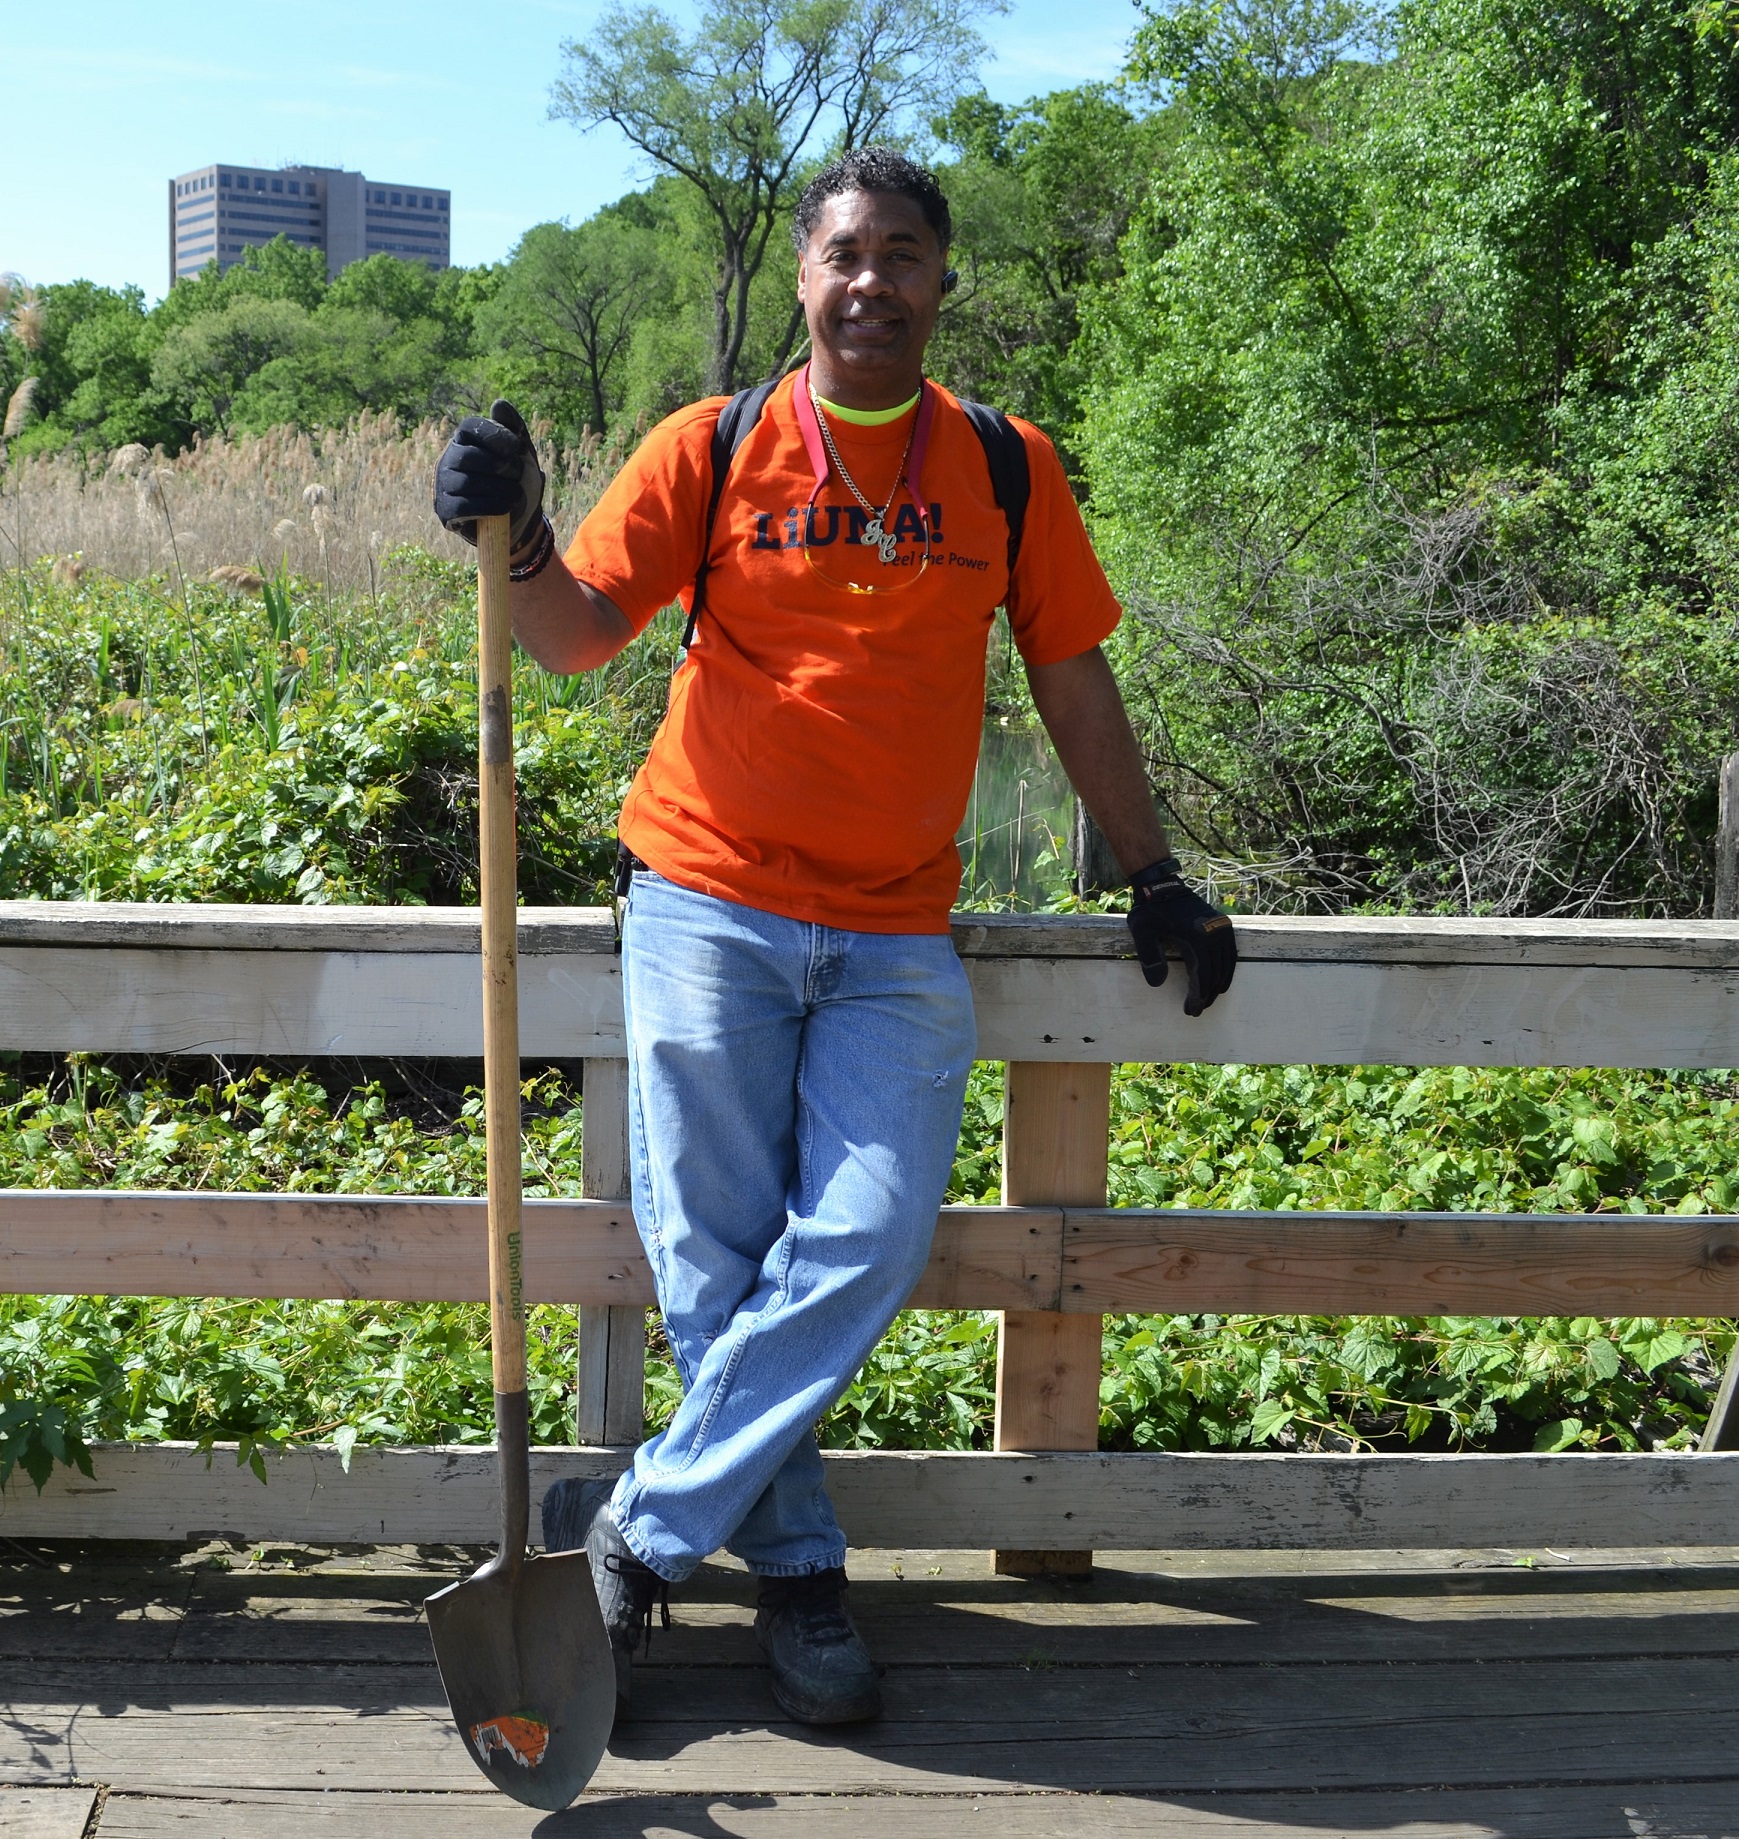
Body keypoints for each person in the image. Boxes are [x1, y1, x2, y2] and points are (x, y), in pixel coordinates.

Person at [431, 148, 1236, 1728]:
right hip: (707, 900)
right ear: (804, 277)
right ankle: (800, 1578)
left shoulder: (1008, 468)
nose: (872, 280)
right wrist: (517, 533)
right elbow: (581, 635)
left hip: (892, 934)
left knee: (864, 1236)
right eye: (846, 254)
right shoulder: (714, 443)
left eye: (905, 255)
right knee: (710, 1261)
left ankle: (639, 1542)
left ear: (942, 283)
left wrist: (1152, 871)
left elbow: (1074, 678)